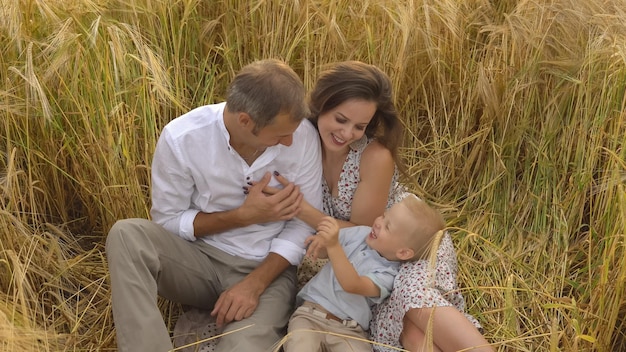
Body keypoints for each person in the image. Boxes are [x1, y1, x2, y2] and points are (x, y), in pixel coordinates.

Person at [105, 59, 323, 352]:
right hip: (198, 262)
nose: (288, 142)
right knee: (126, 235)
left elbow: (303, 222)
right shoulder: (182, 138)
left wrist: (254, 284)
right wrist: (243, 216)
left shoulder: (302, 136)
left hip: (269, 270)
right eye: (280, 135)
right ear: (245, 121)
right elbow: (168, 221)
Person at [283, 195, 445, 351]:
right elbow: (327, 250)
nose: (378, 223)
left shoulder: (388, 275)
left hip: (349, 331)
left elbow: (353, 285)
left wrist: (333, 246)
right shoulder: (361, 233)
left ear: (403, 253)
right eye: (383, 216)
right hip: (310, 315)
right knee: (299, 345)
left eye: (387, 227)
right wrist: (323, 243)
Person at [369, 230, 494, 352]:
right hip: (374, 274)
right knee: (401, 324)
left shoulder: (384, 225)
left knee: (413, 295)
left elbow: (363, 221)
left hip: (414, 240)